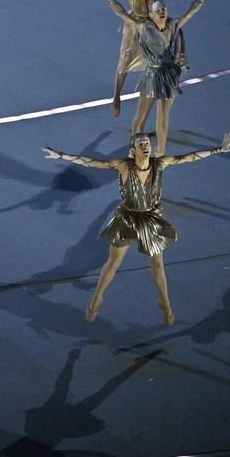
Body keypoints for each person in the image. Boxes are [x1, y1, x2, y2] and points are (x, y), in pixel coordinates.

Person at [43, 131, 230, 325]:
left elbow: (188, 157)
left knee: (158, 265)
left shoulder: (160, 163)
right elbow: (94, 162)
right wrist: (61, 156)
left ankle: (165, 304)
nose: (145, 146)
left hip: (150, 218)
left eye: (147, 143)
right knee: (113, 263)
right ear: (133, 151)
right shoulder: (124, 166)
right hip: (127, 218)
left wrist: (219, 149)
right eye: (141, 144)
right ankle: (96, 299)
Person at [88, 0, 221, 154]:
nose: (162, 11)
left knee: (163, 116)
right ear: (151, 15)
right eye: (157, 10)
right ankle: (134, 149)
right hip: (152, 75)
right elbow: (121, 13)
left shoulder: (174, 25)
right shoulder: (144, 27)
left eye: (163, 8)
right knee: (142, 115)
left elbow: (191, 11)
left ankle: (161, 151)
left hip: (169, 77)